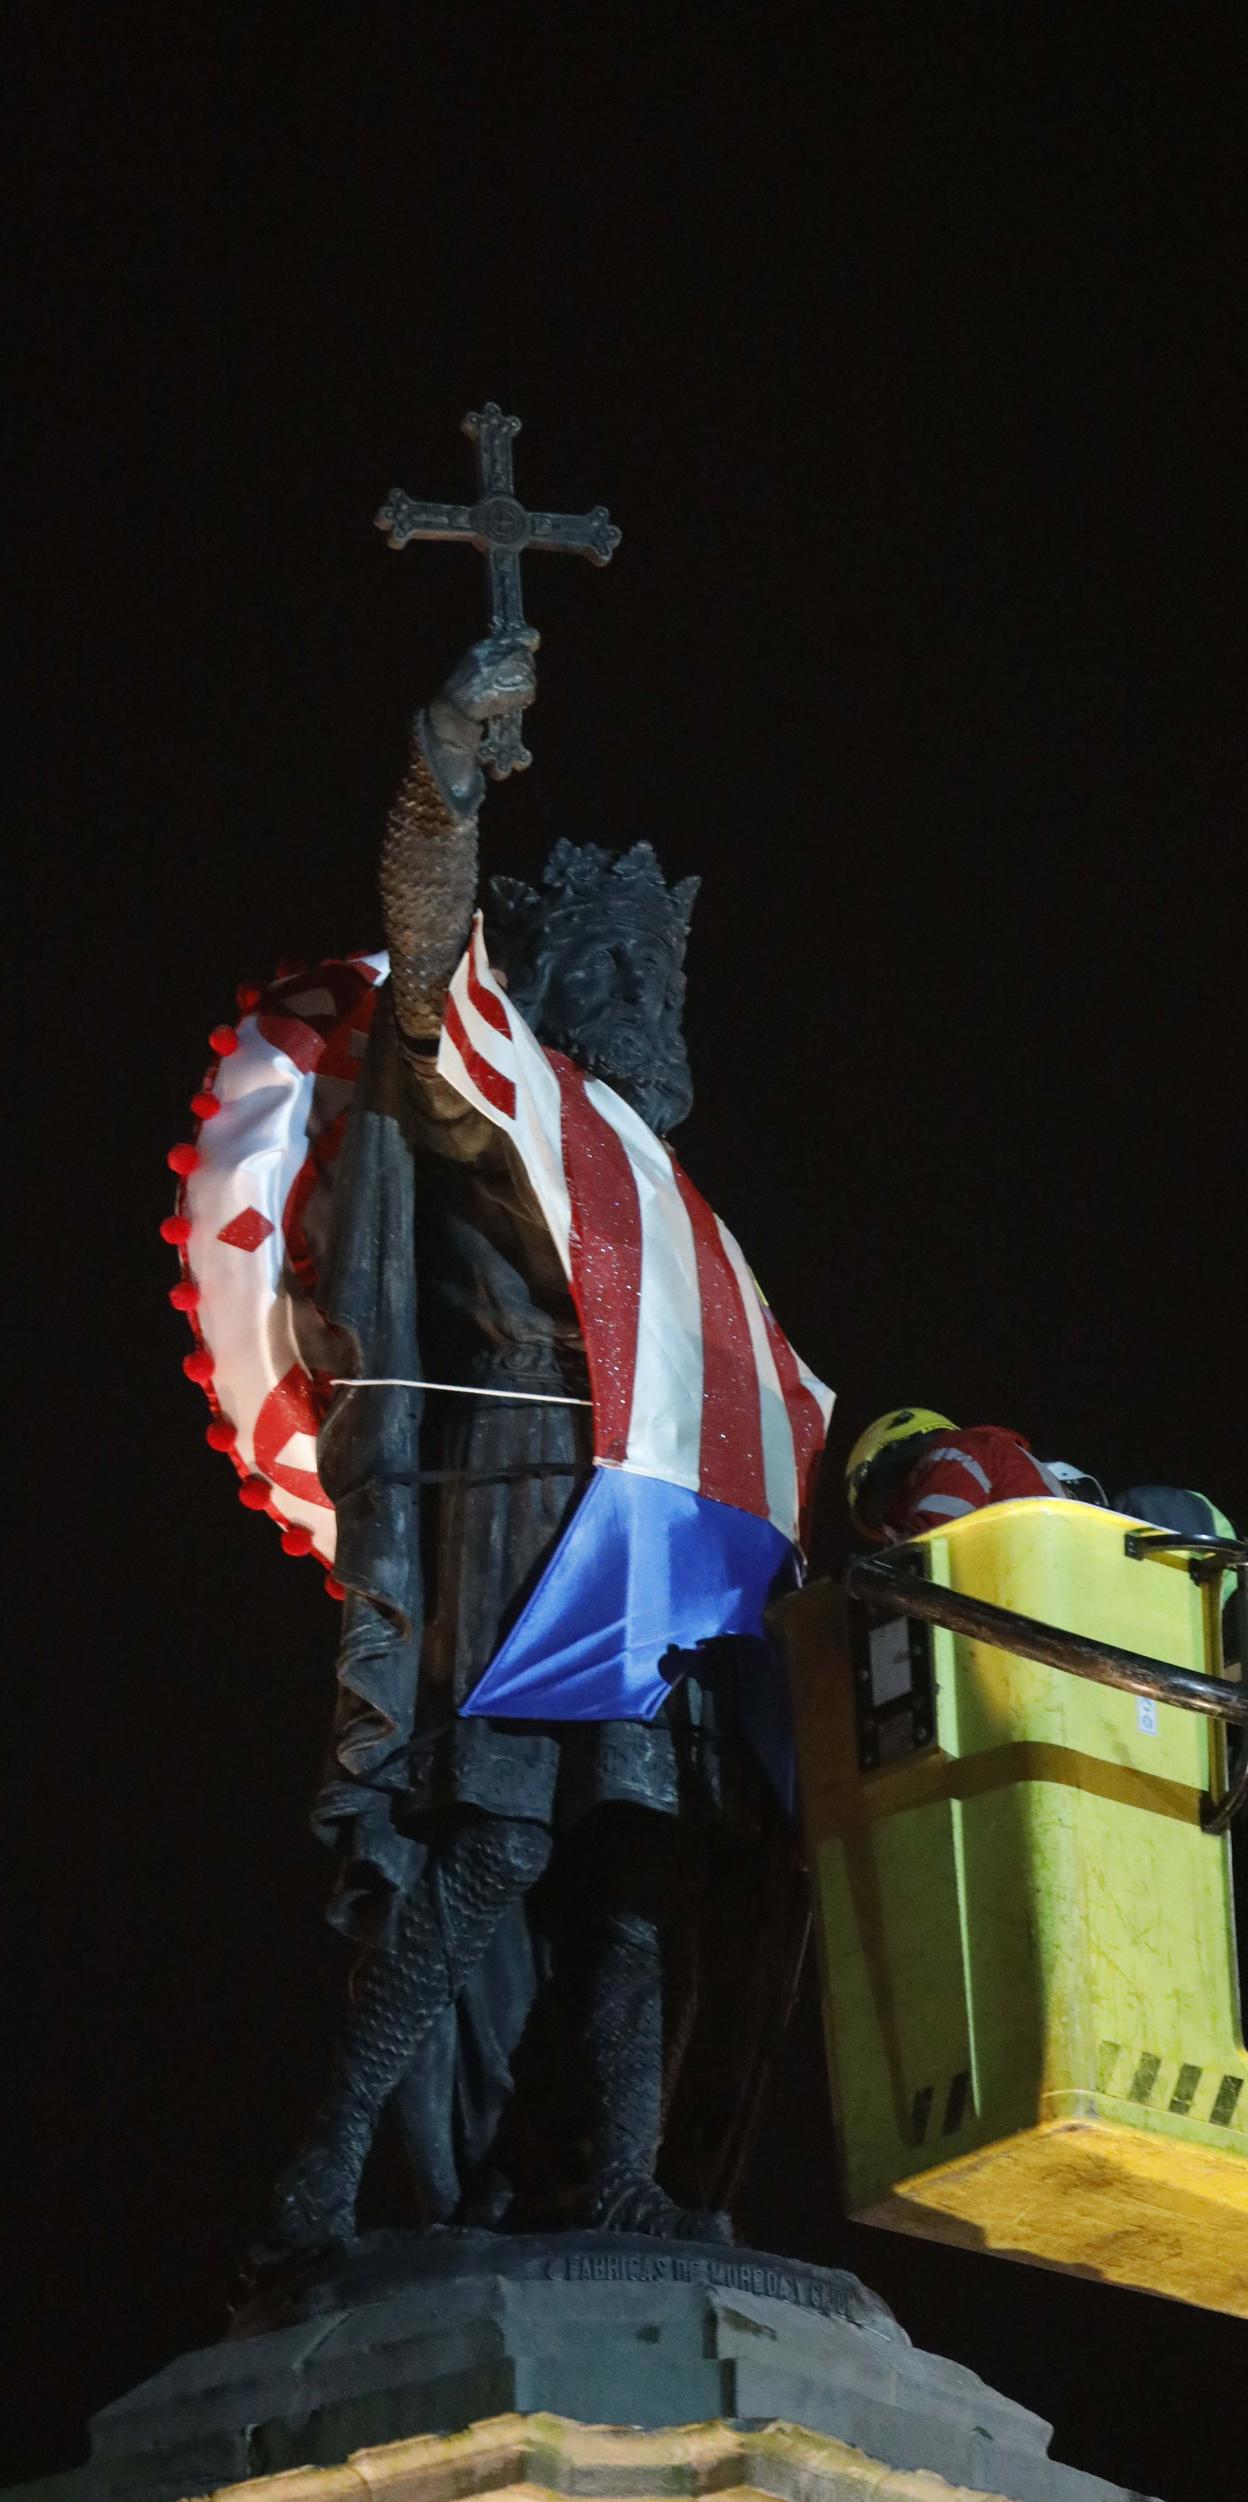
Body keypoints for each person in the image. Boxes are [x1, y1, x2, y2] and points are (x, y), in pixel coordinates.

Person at [256, 637, 830, 2260]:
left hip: (652, 1532)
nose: (646, 1009)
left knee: (638, 1862)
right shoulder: (489, 1097)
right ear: (558, 986)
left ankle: (627, 2175)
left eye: (661, 981)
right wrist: (442, 771)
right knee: (497, 1841)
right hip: (515, 1522)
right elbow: (422, 940)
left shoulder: (665, 1204)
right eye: (618, 977)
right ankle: (330, 2160)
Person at [845, 1407, 1073, 1543]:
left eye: (878, 1510)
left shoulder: (957, 1449)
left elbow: (937, 1537)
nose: (889, 1527)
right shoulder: (1004, 1460)